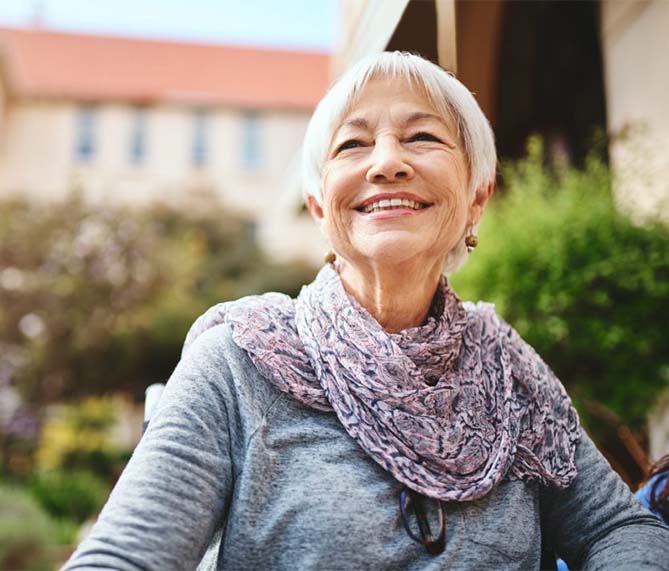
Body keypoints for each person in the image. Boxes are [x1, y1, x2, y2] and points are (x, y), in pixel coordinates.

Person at [61, 51, 669, 571]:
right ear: (320, 206)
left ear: (477, 199)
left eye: (422, 137)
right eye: (353, 144)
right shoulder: (238, 364)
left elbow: (619, 530)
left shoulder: (511, 373)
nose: (386, 163)